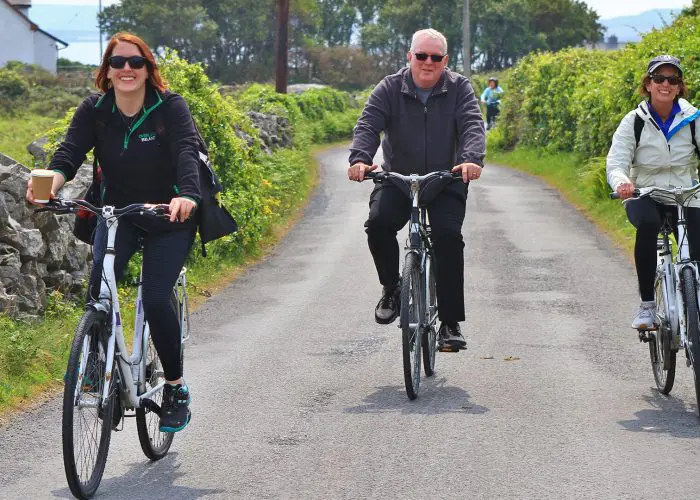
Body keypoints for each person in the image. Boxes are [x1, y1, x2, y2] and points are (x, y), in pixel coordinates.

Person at [26, 32, 201, 432]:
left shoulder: (169, 107)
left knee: (156, 299)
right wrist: (49, 184)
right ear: (106, 70)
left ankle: (174, 387)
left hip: (167, 215)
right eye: (117, 62)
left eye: (135, 63)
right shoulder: (94, 110)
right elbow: (69, 153)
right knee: (98, 293)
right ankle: (97, 365)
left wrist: (187, 195)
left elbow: (186, 151)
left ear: (148, 69)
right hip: (115, 213)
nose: (126, 69)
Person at [348, 28, 486, 351]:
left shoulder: (460, 88)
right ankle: (392, 288)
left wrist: (469, 160)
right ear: (409, 56)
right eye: (421, 56)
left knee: (448, 237)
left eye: (435, 57)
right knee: (378, 223)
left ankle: (450, 323)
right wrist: (360, 159)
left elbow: (471, 125)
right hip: (397, 177)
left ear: (445, 61)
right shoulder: (389, 88)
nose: (428, 62)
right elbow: (368, 124)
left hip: (445, 178)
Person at [607, 55, 700, 330]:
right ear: (648, 84)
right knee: (647, 223)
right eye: (659, 78)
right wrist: (622, 183)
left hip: (686, 194)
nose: (665, 84)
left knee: (696, 252)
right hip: (645, 193)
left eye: (672, 80)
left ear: (679, 86)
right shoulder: (634, 121)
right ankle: (647, 306)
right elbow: (616, 161)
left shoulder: (693, 119)